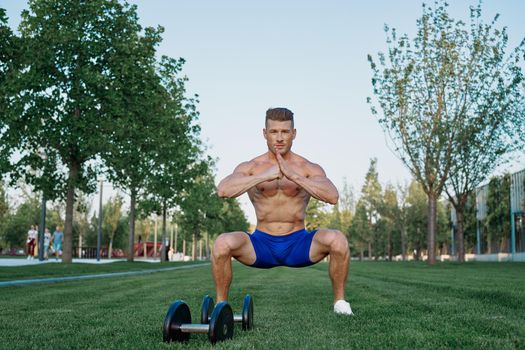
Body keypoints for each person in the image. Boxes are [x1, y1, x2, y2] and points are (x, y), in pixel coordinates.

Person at [213, 107, 353, 315]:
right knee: (222, 243)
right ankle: (221, 307)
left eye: (285, 132)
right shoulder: (252, 166)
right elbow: (224, 190)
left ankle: (340, 303)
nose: (279, 137)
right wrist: (264, 176)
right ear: (264, 133)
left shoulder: (307, 167)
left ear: (294, 134)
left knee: (338, 240)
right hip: (261, 244)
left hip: (298, 243)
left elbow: (332, 196)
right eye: (274, 131)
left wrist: (294, 176)